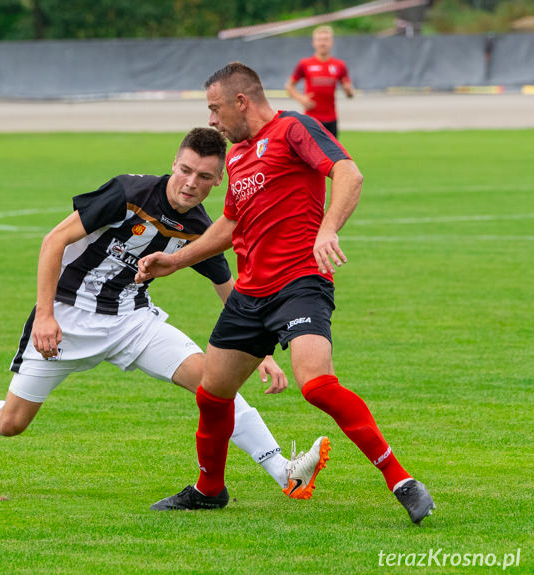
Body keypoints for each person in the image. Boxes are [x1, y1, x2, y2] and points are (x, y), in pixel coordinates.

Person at [0, 128, 330, 499]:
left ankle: (284, 471)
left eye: (204, 177)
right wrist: (45, 316)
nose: (190, 183)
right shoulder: (128, 193)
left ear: (218, 182)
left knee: (214, 386)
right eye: (185, 170)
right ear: (174, 163)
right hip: (67, 318)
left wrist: (260, 352)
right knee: (13, 423)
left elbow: (230, 289)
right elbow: (54, 241)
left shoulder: (199, 228)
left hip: (132, 320)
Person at [136, 64, 435, 525]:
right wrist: (175, 261)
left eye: (215, 109)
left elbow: (348, 174)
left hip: (299, 283)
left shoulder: (293, 128)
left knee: (316, 384)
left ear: (241, 101)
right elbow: (231, 225)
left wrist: (327, 229)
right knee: (212, 395)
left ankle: (402, 481)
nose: (212, 121)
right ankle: (209, 490)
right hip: (250, 293)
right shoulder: (236, 157)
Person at [285, 26, 354, 138]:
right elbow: (289, 86)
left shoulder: (339, 65)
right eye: (319, 40)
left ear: (331, 42)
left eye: (326, 40)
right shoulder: (305, 64)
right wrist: (301, 98)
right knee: (309, 154)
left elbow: (350, 93)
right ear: (314, 42)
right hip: (311, 119)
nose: (322, 43)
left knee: (333, 155)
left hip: (331, 119)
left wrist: (349, 91)